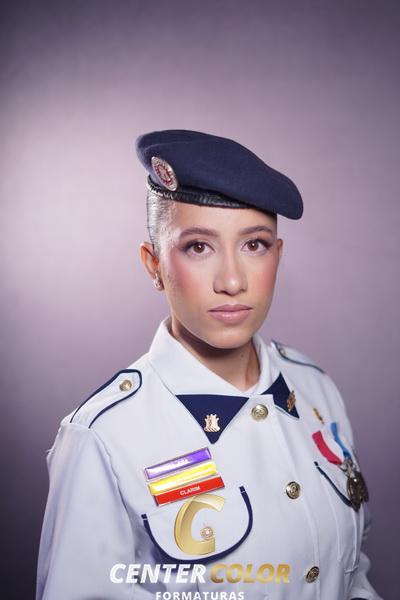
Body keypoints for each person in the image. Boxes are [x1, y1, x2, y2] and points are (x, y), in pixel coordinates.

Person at [36, 129, 383, 600]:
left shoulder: (314, 387)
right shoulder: (103, 437)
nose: (233, 281)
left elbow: (352, 574)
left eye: (254, 245)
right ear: (154, 264)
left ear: (278, 256)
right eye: (198, 247)